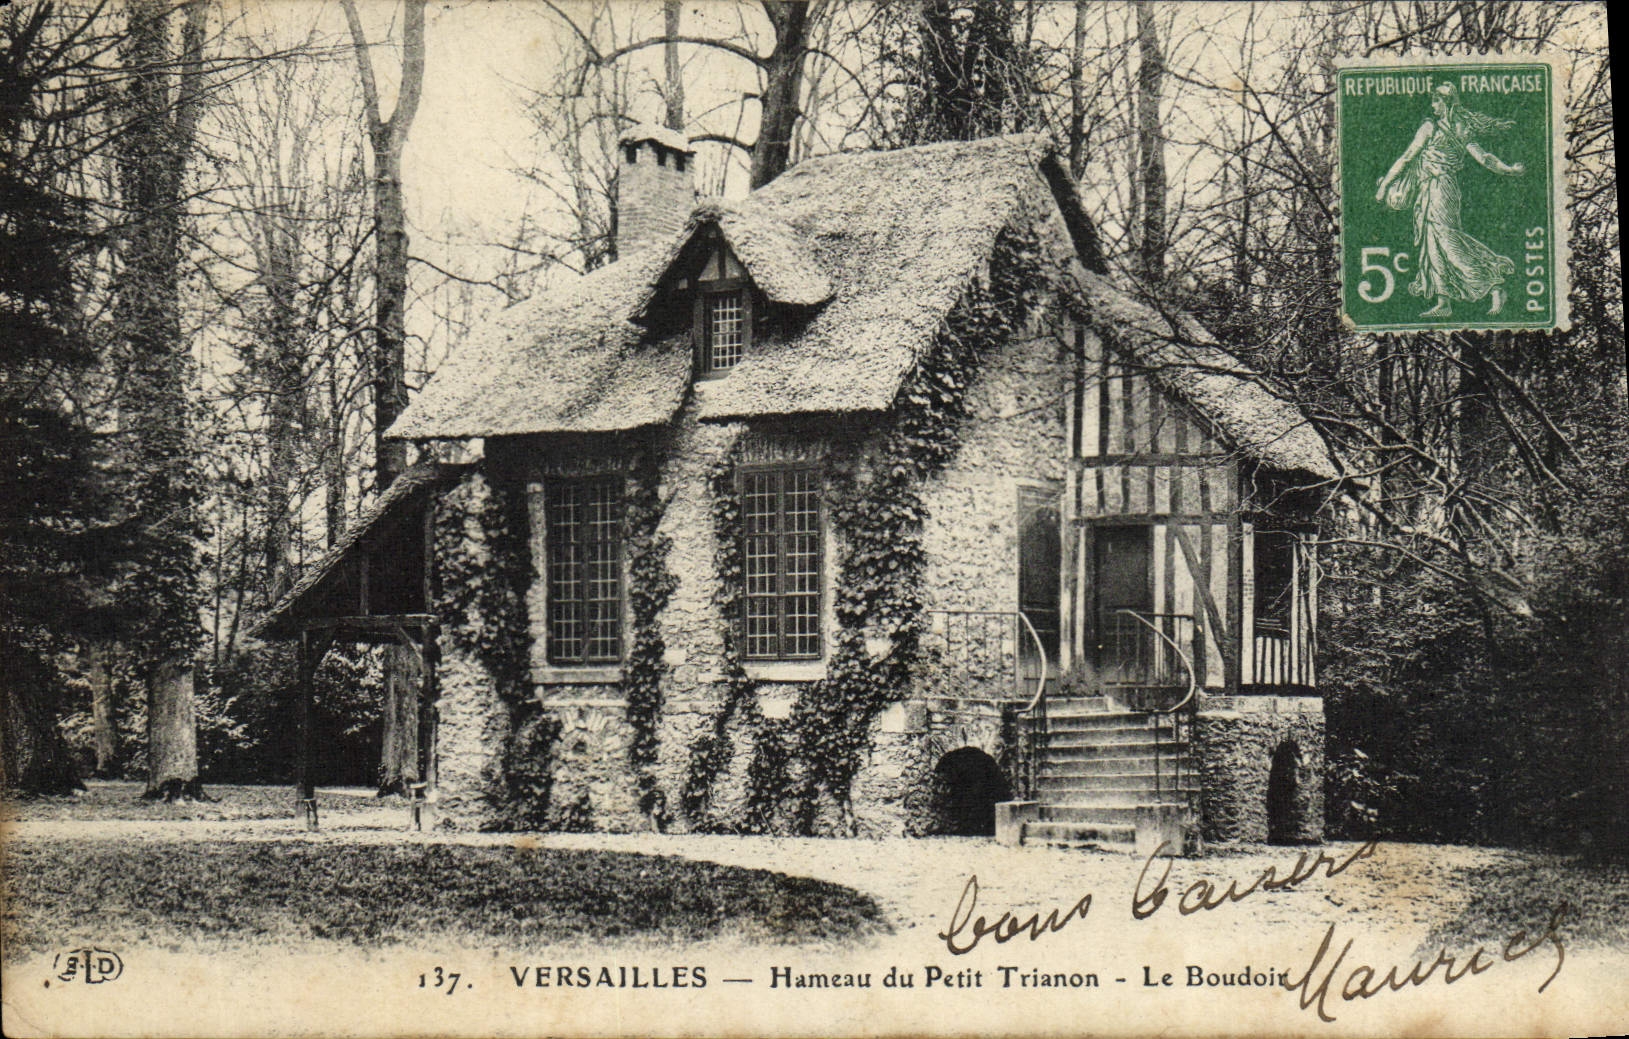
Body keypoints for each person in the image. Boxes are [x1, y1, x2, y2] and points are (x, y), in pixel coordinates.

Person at [1375, 83, 1525, 318]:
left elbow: (1483, 158)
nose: (1433, 105)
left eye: (1436, 101)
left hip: (1442, 188)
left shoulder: (1445, 127)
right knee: (1432, 243)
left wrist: (1508, 170)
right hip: (1427, 190)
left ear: (1446, 103)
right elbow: (1408, 158)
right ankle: (1443, 301)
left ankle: (1494, 285)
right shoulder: (1443, 127)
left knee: (1447, 240)